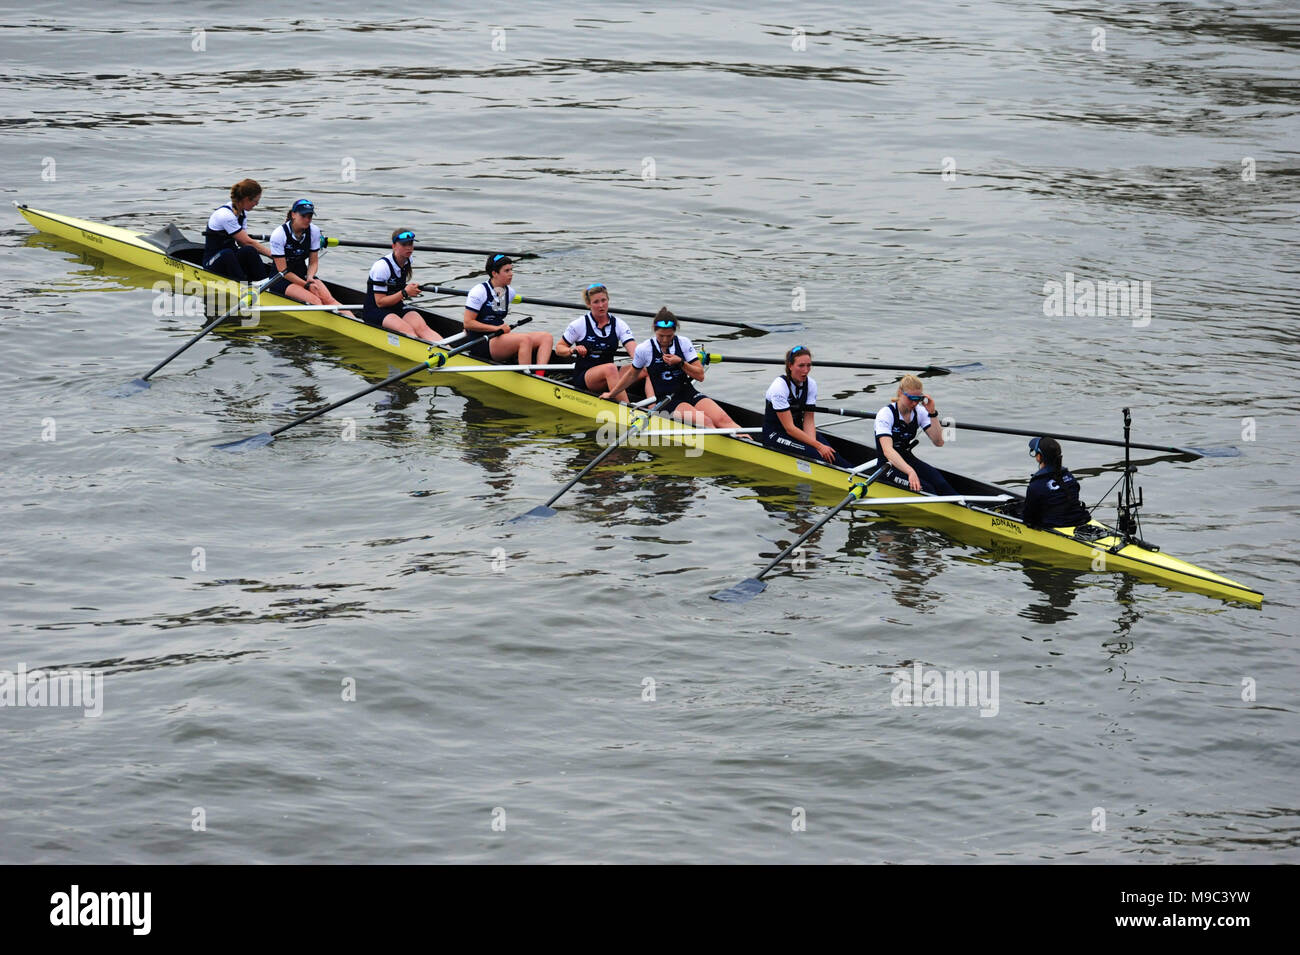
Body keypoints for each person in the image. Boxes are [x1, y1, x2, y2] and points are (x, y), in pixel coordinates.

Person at [602, 309, 742, 432]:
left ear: (675, 332)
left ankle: (749, 440)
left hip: (688, 392)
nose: (664, 339)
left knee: (724, 420)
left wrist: (681, 363)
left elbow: (700, 376)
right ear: (655, 331)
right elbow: (631, 375)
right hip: (667, 401)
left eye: (669, 336)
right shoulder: (644, 349)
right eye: (661, 336)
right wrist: (612, 393)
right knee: (706, 422)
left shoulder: (684, 343)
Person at [462, 253, 553, 373]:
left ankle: (540, 376)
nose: (511, 273)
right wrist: (496, 328)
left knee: (546, 337)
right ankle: (527, 379)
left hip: (499, 336)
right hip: (481, 342)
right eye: (506, 271)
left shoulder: (510, 292)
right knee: (525, 340)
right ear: (494, 273)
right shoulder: (479, 292)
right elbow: (468, 323)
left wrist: (498, 329)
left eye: (511, 269)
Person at [761, 345, 850, 466]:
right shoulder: (779, 387)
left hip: (799, 430)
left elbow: (808, 420)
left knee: (832, 455)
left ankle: (853, 474)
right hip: (776, 434)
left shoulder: (811, 384)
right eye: (801, 366)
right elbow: (789, 428)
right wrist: (817, 447)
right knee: (817, 455)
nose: (806, 370)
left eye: (808, 365)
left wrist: (816, 445)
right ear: (790, 366)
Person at [266, 199, 354, 318]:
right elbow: (283, 271)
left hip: (304, 275)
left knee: (329, 300)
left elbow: (313, 262)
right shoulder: (279, 235)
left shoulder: (314, 231)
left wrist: (310, 277)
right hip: (281, 279)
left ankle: (357, 322)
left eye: (310, 216)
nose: (307, 219)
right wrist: (306, 285)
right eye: (303, 216)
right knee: (316, 301)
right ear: (293, 215)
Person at [874, 374, 955, 495]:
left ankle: (966, 506)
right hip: (888, 465)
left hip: (907, 459)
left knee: (941, 483)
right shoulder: (886, 414)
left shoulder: (920, 412)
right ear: (900, 393)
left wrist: (932, 413)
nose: (914, 403)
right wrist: (910, 472)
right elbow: (888, 451)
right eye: (911, 398)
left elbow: (939, 442)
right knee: (927, 490)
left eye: (918, 399)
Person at [362, 229, 442, 342]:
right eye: (404, 244)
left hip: (396, 305)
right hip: (375, 310)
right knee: (408, 331)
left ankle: (449, 353)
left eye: (411, 243)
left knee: (423, 329)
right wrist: (405, 292)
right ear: (394, 246)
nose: (409, 248)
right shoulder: (381, 267)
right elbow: (380, 302)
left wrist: (410, 289)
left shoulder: (408, 259)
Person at [555, 283, 636, 393]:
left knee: (644, 369)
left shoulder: (619, 324)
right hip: (585, 377)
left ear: (608, 300)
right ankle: (626, 408)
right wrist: (571, 350)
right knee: (610, 368)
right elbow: (559, 348)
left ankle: (654, 408)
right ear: (589, 304)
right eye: (596, 302)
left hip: (609, 374)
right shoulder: (580, 324)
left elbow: (635, 353)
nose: (601, 305)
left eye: (603, 300)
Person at [204, 178, 272, 281]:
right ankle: (243, 285)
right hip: (212, 262)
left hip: (229, 259)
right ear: (246, 199)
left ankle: (264, 282)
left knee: (249, 250)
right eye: (255, 201)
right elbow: (246, 241)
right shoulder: (225, 215)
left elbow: (244, 244)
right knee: (228, 253)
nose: (256, 204)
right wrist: (274, 255)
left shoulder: (242, 213)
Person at [1022, 436, 1091, 528]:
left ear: (1039, 457)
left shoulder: (1036, 484)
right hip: (1080, 519)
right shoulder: (1069, 477)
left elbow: (1028, 519)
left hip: (1056, 526)